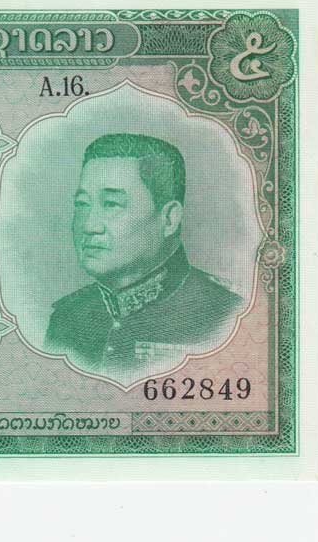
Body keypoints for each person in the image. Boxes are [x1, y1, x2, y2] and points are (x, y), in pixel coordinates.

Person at [43, 133, 243, 383]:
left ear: (169, 219)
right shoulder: (68, 317)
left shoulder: (226, 314)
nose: (89, 226)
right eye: (82, 204)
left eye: (112, 204)